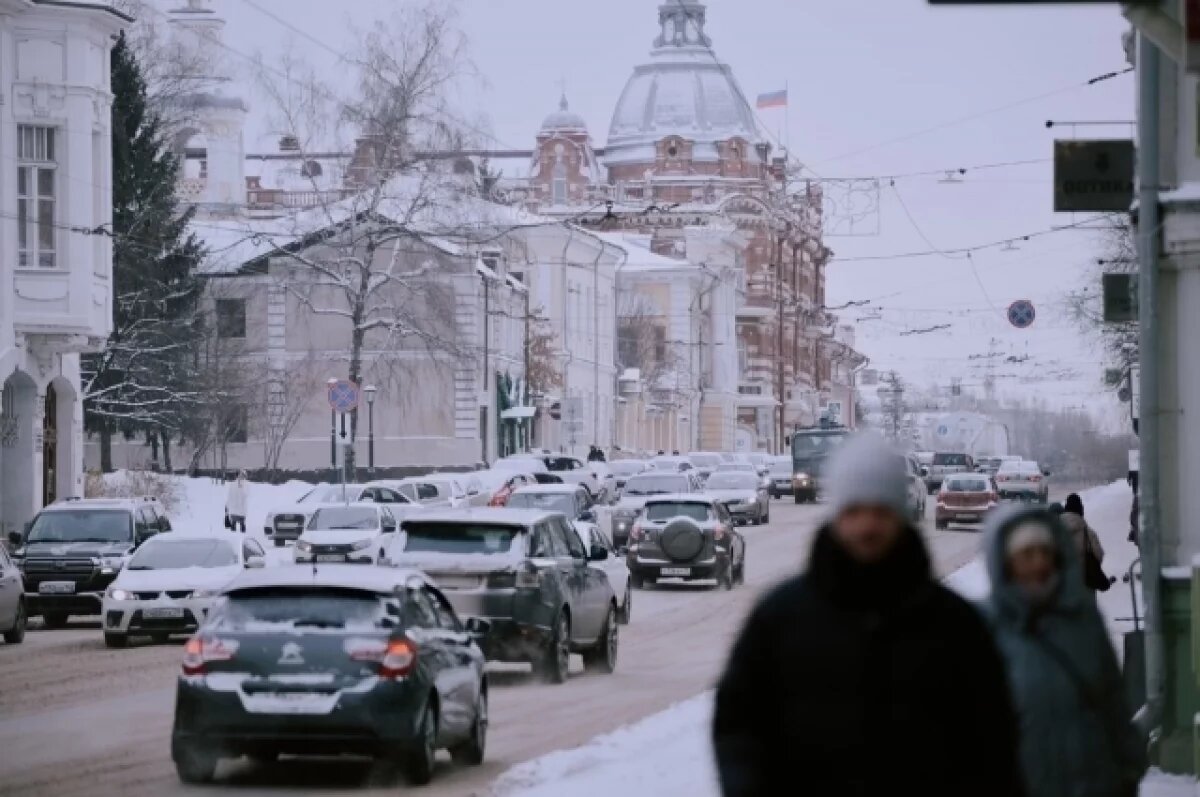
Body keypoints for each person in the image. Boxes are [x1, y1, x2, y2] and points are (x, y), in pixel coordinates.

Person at [712, 433, 1023, 797]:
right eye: (854, 511)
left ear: (901, 514)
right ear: (836, 516)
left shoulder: (954, 624)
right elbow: (739, 726)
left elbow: (993, 742)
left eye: (881, 511)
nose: (867, 526)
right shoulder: (781, 619)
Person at [983, 507, 1146, 797]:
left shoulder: (1083, 622)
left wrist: (1128, 770)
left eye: (1044, 552)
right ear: (1006, 563)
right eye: (1025, 555)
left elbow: (1113, 703)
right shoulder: (985, 629)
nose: (1037, 563)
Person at [1060, 492, 1106, 588]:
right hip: (1084, 582)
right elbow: (1099, 554)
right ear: (1081, 509)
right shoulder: (1088, 532)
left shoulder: (1053, 531)